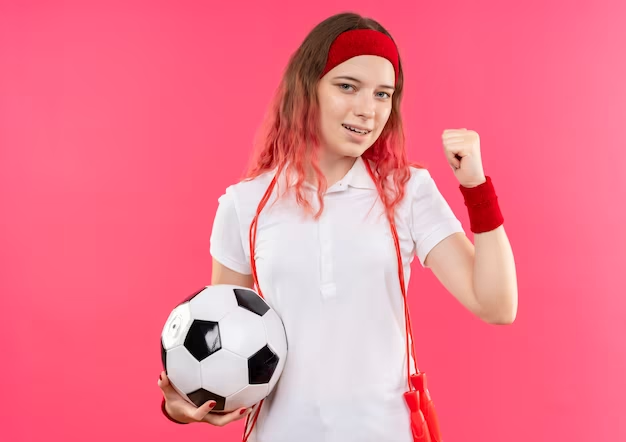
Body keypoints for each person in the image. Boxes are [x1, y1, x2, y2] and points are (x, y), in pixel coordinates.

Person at [157, 11, 518, 442]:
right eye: (347, 86)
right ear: (307, 88)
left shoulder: (406, 191)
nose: (367, 109)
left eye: (383, 94)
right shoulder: (244, 204)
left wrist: (476, 187)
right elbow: (223, 341)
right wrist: (182, 407)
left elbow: (497, 305)